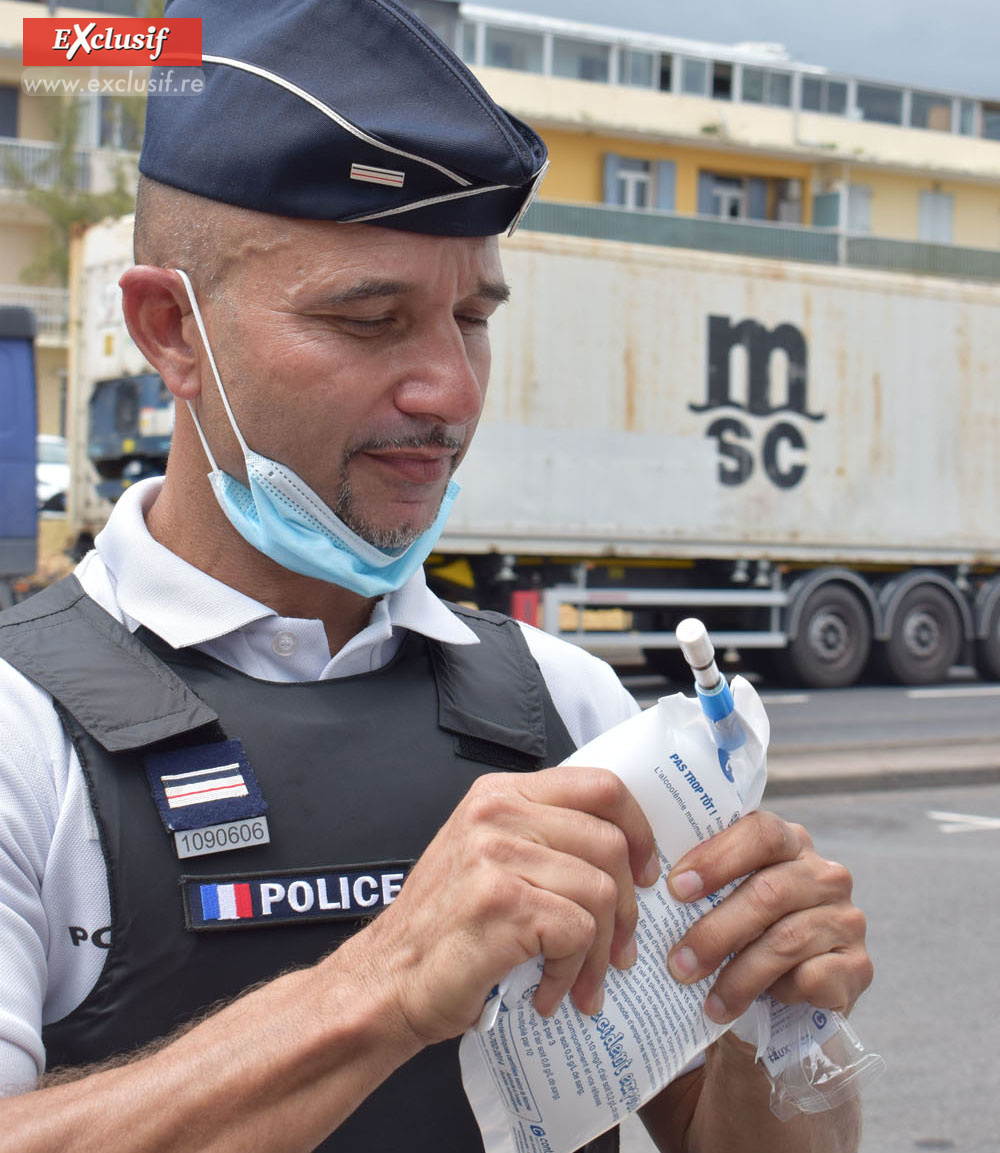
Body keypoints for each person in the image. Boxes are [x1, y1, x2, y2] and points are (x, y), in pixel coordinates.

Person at [0, 1, 872, 1150]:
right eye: (369, 320)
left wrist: (782, 1029)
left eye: (471, 316)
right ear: (169, 329)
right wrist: (379, 986)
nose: (449, 390)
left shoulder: (565, 707)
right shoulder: (23, 733)